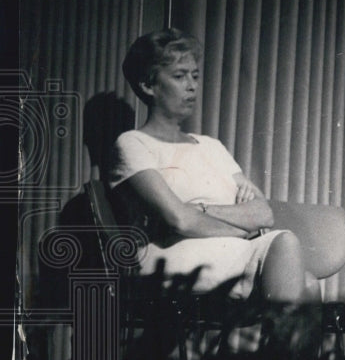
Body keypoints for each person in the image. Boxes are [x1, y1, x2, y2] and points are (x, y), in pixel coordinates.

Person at [108, 29, 320, 306]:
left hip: (224, 252)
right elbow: (179, 221)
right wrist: (241, 227)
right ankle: (277, 351)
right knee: (286, 245)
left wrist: (204, 210)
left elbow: (263, 213)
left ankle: (277, 351)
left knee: (309, 284)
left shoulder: (211, 146)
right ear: (148, 85)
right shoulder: (133, 143)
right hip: (169, 257)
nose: (192, 86)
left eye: (195, 76)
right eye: (179, 76)